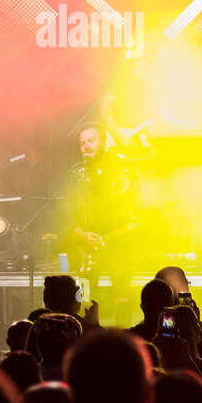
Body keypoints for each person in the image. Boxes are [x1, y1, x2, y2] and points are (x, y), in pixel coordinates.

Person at [66, 121, 144, 323]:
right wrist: (83, 235)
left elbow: (136, 211)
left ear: (103, 141)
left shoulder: (123, 168)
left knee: (122, 291)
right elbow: (67, 214)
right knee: (85, 295)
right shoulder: (77, 173)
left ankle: (123, 336)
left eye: (91, 140)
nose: (87, 146)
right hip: (88, 245)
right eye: (82, 143)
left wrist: (109, 237)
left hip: (119, 243)